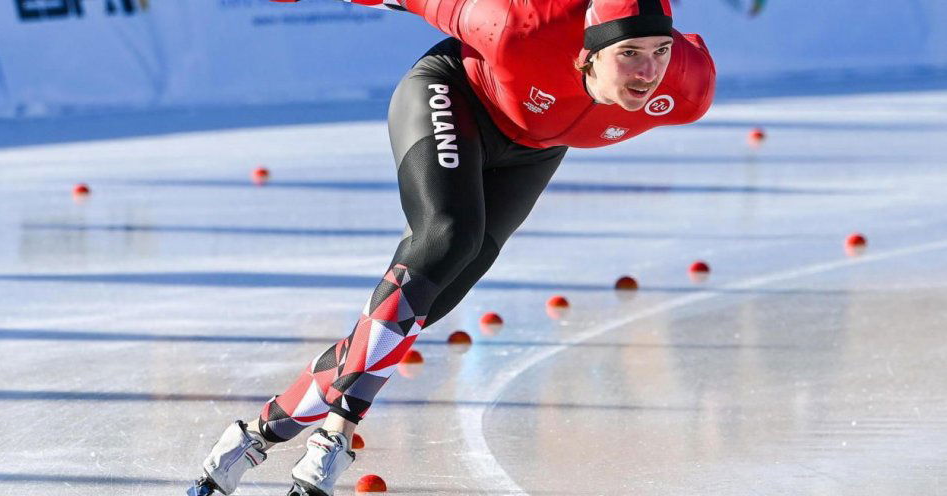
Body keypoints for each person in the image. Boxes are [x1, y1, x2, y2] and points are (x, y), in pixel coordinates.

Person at [188, 0, 715, 494]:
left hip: (535, 150)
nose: (648, 73)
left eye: (659, 52)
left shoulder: (688, 88)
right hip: (453, 93)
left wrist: (658, 56)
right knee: (448, 236)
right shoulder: (520, 25)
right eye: (628, 55)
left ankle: (253, 438)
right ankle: (337, 434)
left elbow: (669, 64)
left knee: (421, 308)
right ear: (585, 54)